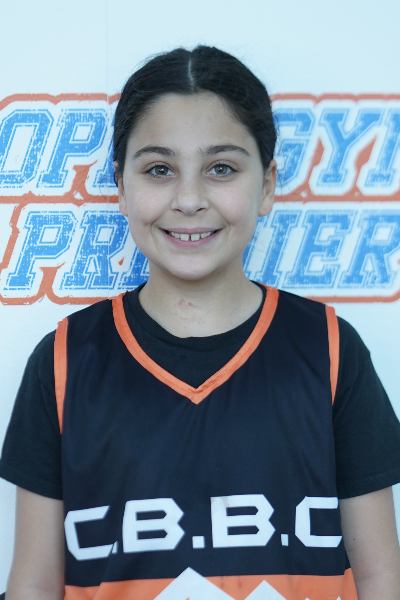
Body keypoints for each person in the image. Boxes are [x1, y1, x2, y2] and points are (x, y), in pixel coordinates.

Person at [1, 46, 400, 600]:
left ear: (267, 185)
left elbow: (382, 577)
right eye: (159, 170)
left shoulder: (329, 348)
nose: (189, 199)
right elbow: (34, 585)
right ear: (121, 187)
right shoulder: (66, 359)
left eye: (221, 168)